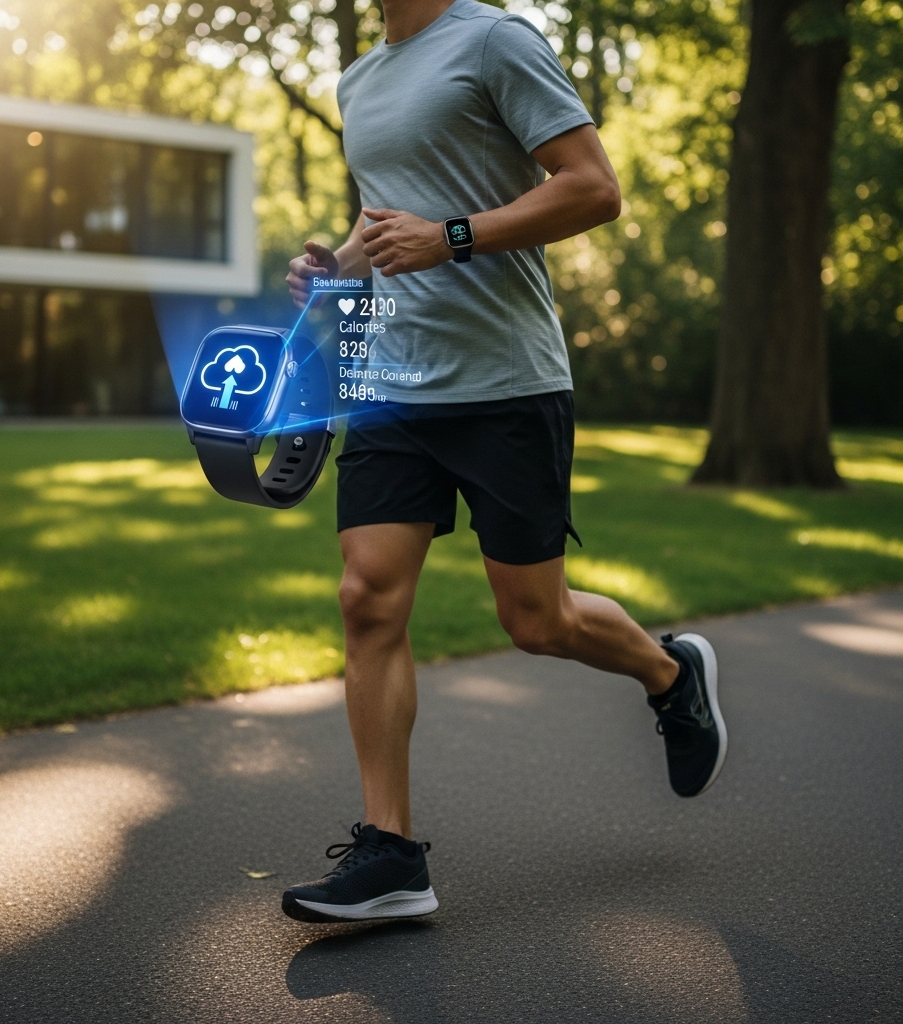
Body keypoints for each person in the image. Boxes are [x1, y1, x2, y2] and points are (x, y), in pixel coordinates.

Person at [281, 0, 728, 924]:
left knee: (535, 618)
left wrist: (453, 234)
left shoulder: (495, 40)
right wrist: (339, 267)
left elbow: (595, 187)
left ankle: (670, 675)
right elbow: (386, 224)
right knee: (367, 598)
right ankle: (392, 855)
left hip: (502, 380)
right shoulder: (360, 76)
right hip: (388, 376)